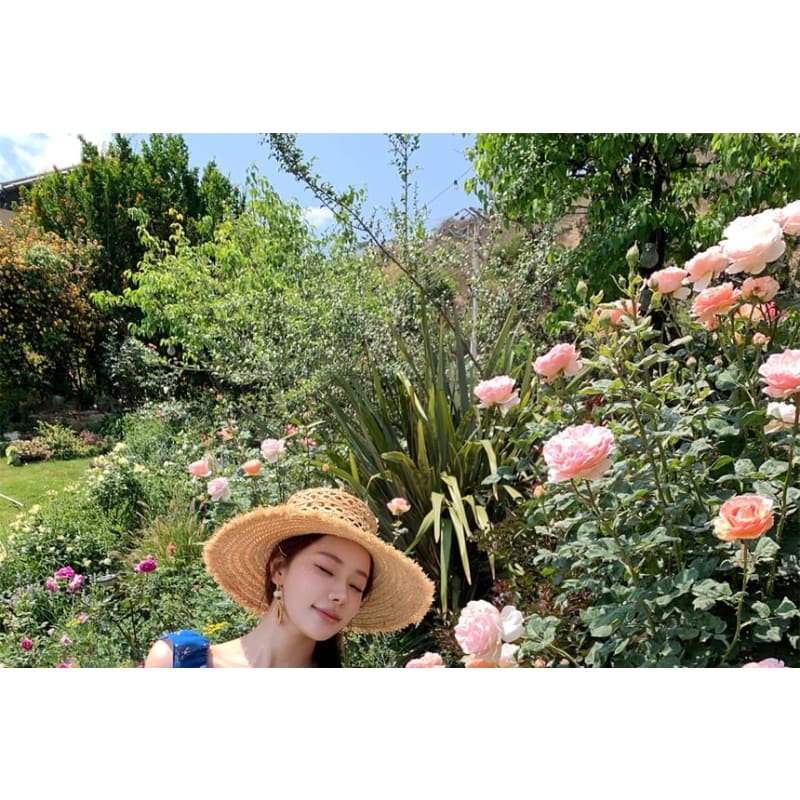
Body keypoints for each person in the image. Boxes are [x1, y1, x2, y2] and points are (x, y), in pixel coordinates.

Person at [144, 487, 434, 667]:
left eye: (357, 586)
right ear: (278, 569)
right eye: (325, 569)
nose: (341, 595)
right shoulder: (177, 661)